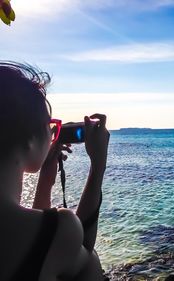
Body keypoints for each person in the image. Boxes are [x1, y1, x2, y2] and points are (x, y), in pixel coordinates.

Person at [0, 61, 110, 281]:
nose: (53, 134)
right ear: (30, 140)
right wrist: (98, 165)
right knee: (91, 263)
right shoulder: (61, 227)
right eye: (50, 126)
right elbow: (82, 252)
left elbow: (44, 243)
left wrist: (45, 182)